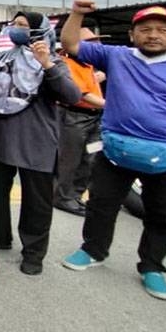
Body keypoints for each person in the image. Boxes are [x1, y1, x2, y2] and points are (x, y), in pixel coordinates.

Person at [60, 2, 166, 301]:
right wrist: (77, 14)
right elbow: (70, 43)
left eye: (162, 30)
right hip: (117, 149)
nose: (153, 35)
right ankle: (93, 249)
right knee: (101, 204)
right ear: (132, 34)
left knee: (164, 212)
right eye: (145, 29)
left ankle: (152, 266)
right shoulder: (118, 57)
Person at [0, 11, 80, 275]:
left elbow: (71, 96)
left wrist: (47, 65)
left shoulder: (53, 61)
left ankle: (34, 252)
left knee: (36, 202)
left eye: (24, 26)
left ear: (40, 31)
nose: (17, 30)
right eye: (14, 25)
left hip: (36, 143)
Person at [53, 27, 107, 216]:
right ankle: (63, 197)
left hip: (93, 118)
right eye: (92, 43)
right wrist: (109, 105)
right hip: (74, 117)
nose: (97, 46)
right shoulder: (67, 63)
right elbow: (81, 94)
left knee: (89, 158)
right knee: (71, 160)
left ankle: (74, 196)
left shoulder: (88, 64)